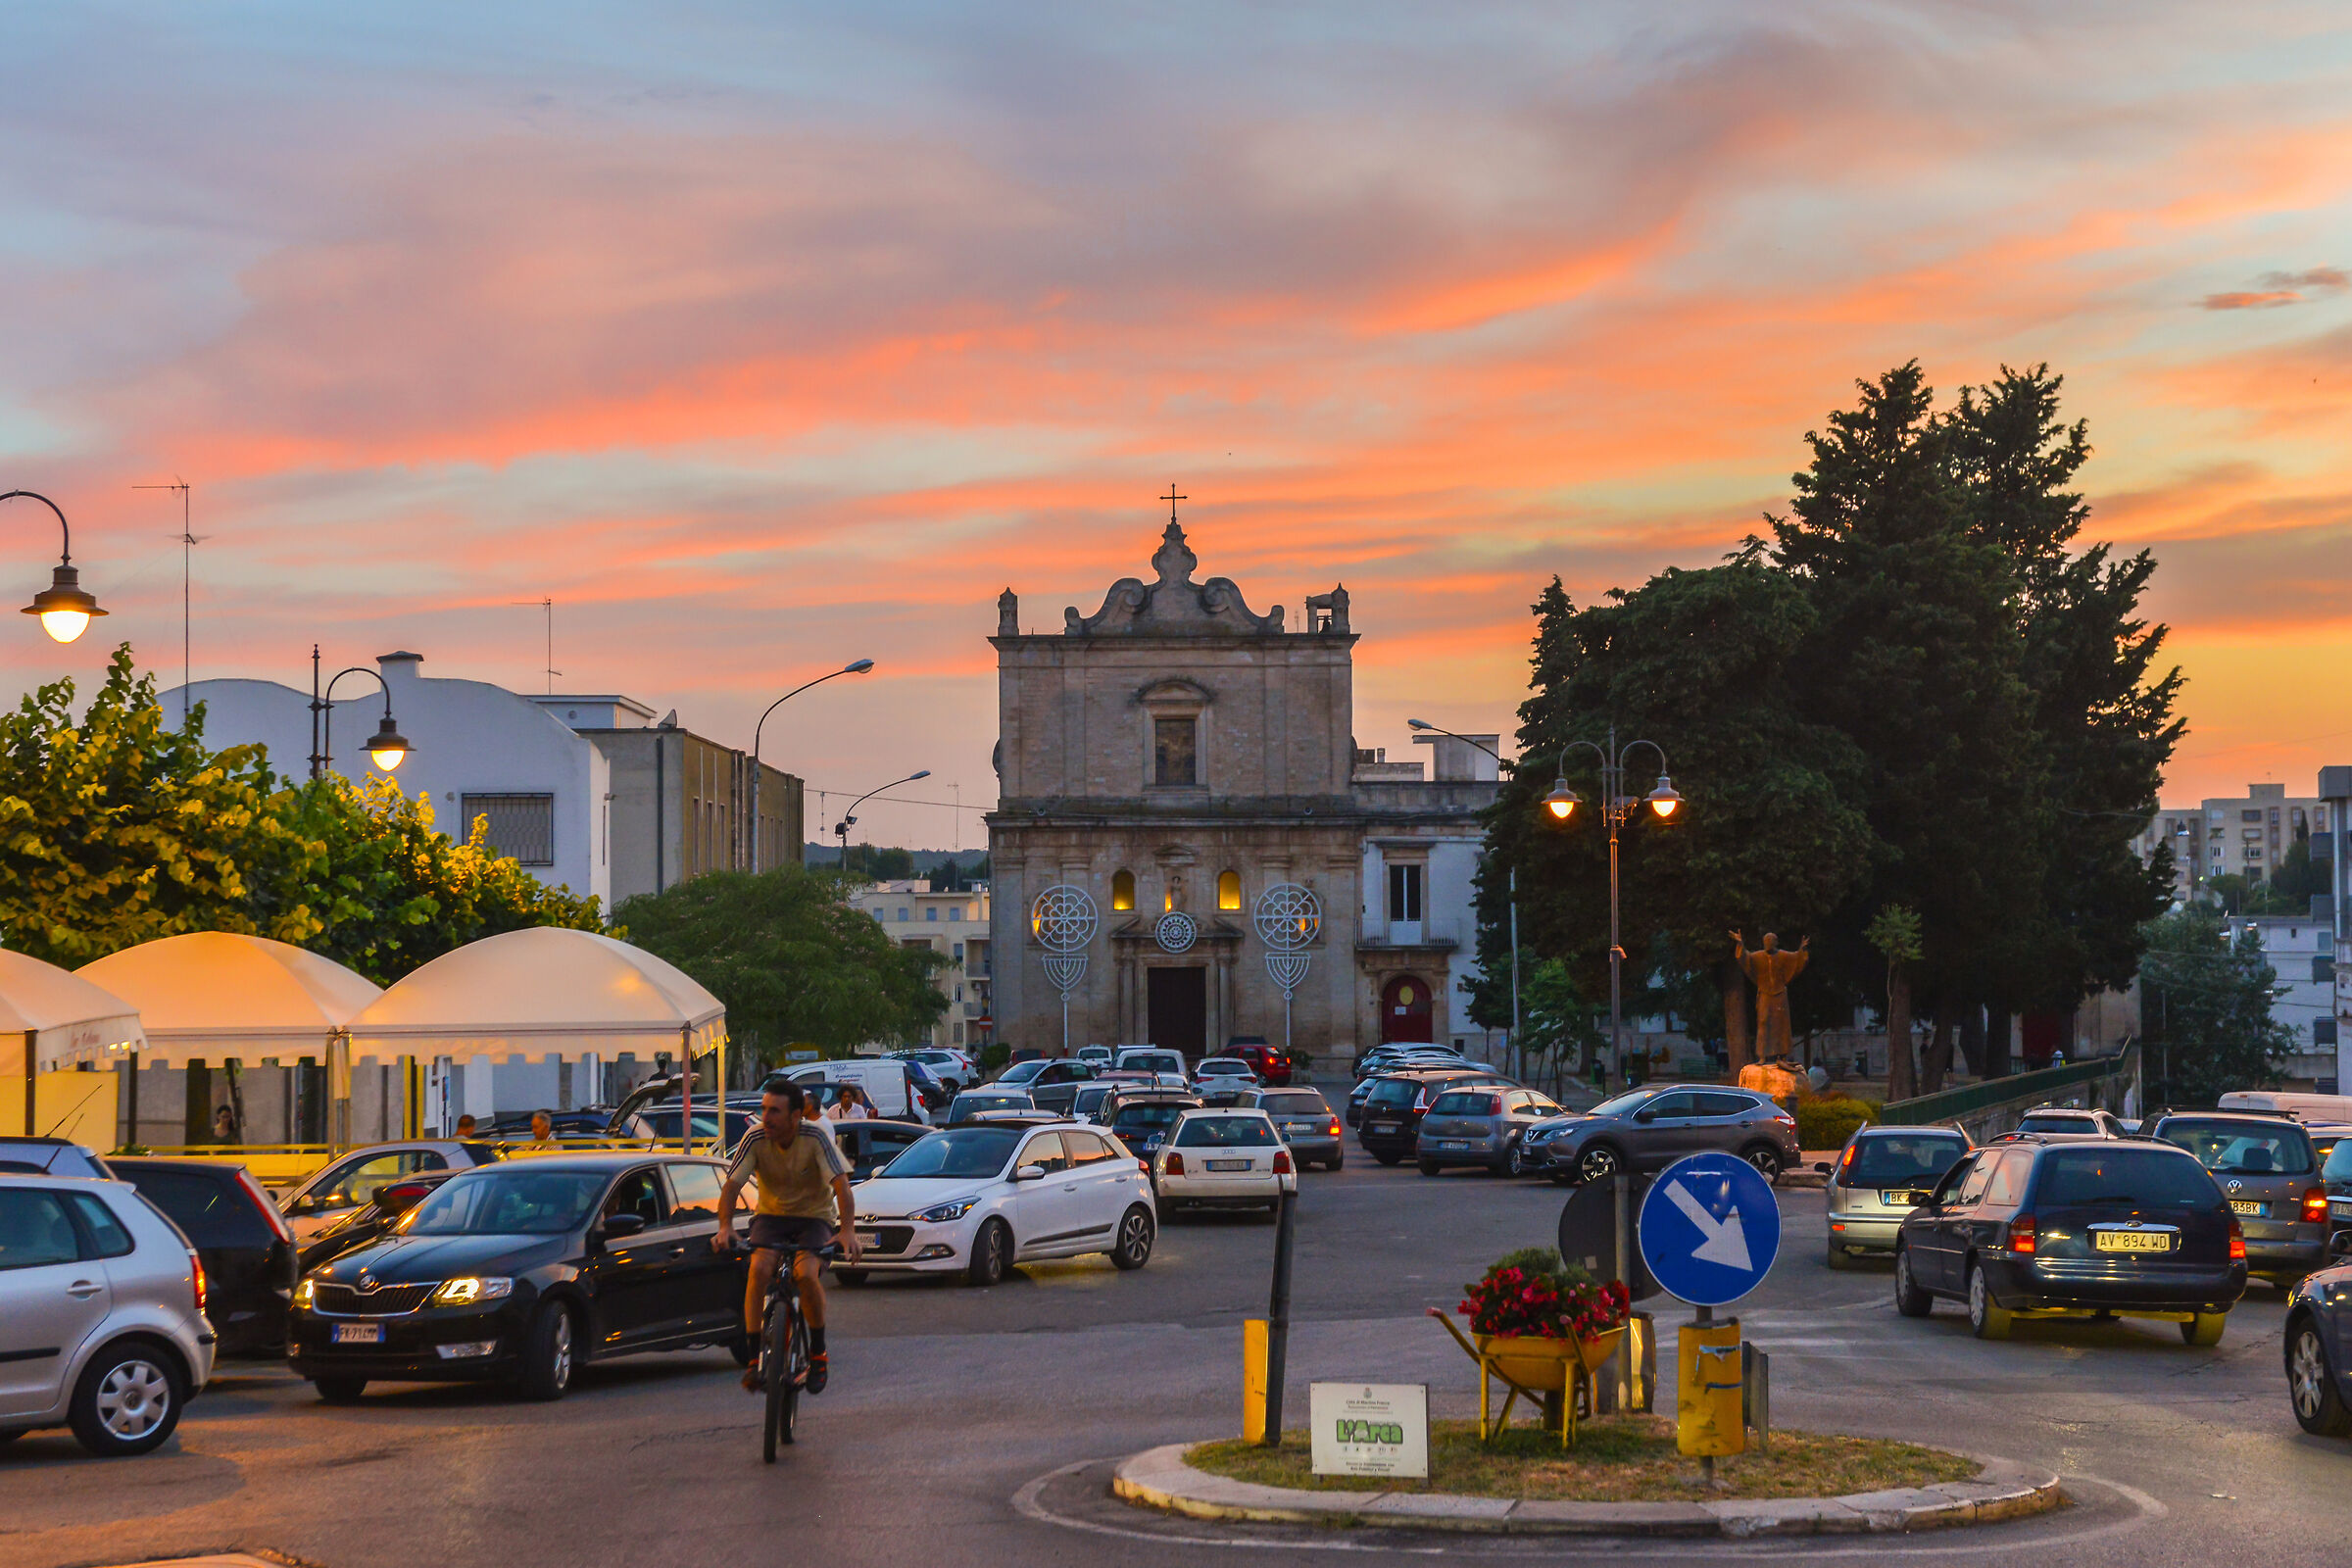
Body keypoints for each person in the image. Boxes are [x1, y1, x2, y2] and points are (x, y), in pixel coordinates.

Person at [714, 1080, 861, 1396]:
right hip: (771, 1217)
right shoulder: (754, 1137)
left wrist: (847, 1231)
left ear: (796, 1116)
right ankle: (755, 1359)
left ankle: (818, 1354)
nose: (766, 1117)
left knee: (806, 1275)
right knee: (758, 1271)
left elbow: (841, 1186)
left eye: (775, 1111)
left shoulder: (816, 1137)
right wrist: (725, 1227)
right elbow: (731, 1187)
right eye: (764, 1109)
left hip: (814, 1218)